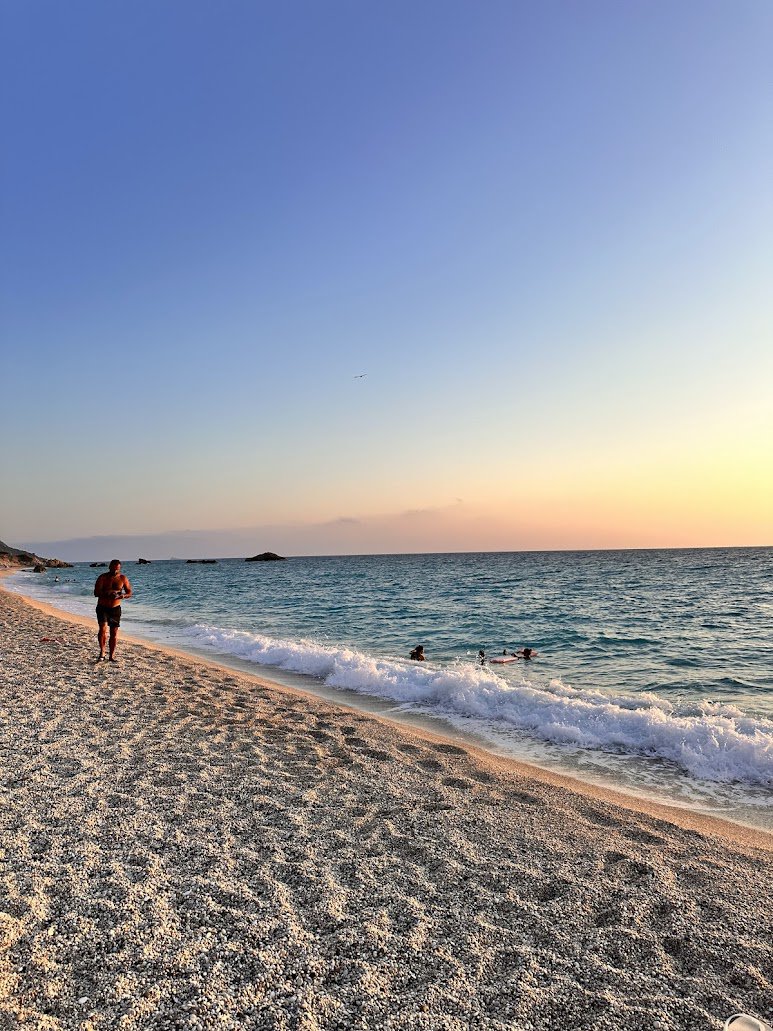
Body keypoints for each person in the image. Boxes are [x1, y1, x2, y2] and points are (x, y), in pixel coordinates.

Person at [94, 559, 132, 662]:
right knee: (103, 629)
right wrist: (108, 594)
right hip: (102, 607)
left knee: (114, 633)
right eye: (113, 568)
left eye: (117, 569)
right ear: (109, 567)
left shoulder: (122, 578)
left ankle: (112, 655)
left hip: (115, 608)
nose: (115, 571)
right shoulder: (103, 577)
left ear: (119, 568)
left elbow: (129, 592)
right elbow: (96, 593)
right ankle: (102, 652)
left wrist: (122, 596)